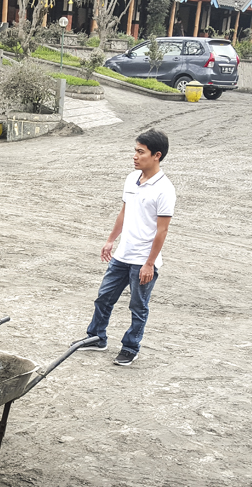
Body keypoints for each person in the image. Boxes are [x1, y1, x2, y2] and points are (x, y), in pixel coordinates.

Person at [75, 129, 175, 366]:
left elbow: (162, 230)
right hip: (122, 255)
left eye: (141, 152)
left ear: (156, 155)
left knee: (138, 306)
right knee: (103, 298)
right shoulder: (132, 179)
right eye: (135, 151)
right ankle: (97, 337)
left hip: (143, 260)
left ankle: (131, 347)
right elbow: (124, 212)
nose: (135, 156)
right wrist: (111, 240)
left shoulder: (165, 189)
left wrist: (149, 263)